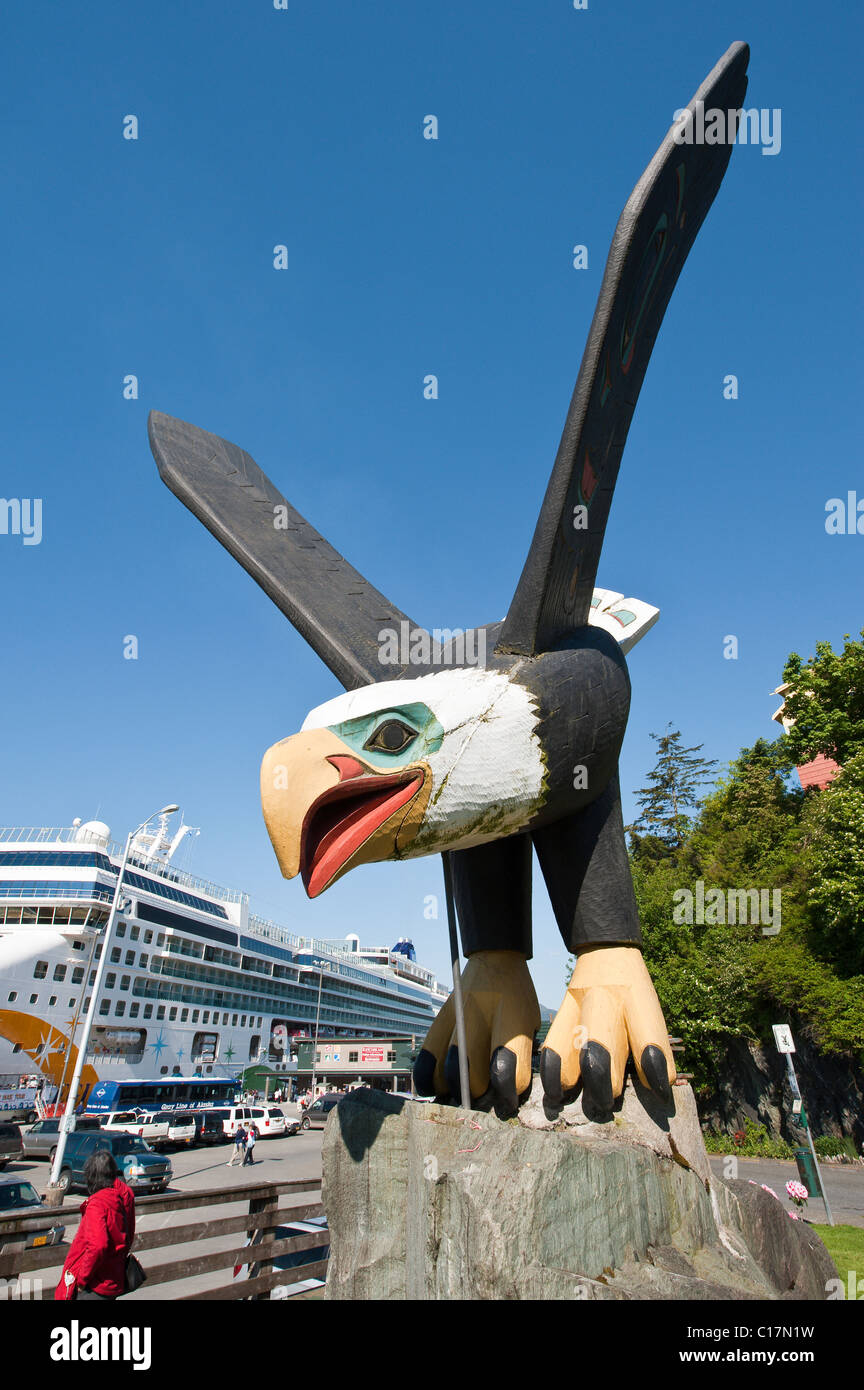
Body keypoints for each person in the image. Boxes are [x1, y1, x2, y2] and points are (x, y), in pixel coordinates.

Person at [54, 1150, 135, 1301]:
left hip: (97, 1283)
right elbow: (127, 1238)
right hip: (113, 1278)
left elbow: (98, 1245)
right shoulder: (118, 1198)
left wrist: (82, 1279)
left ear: (91, 1176)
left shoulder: (97, 1203)